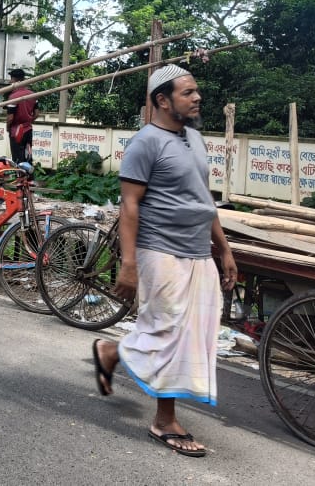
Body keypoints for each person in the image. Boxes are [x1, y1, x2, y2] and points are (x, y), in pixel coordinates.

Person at [90, 64, 237, 459]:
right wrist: (129, 263)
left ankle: (110, 352)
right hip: (160, 250)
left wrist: (223, 249)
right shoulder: (145, 143)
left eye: (196, 92)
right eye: (188, 92)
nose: (197, 98)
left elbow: (203, 200)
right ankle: (165, 421)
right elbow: (130, 205)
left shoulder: (195, 139)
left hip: (197, 251)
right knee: (169, 330)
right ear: (162, 100)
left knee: (192, 332)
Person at [4, 68, 36, 164]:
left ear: (14, 80)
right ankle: (29, 176)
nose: (10, 82)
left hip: (16, 130)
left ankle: (20, 176)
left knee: (17, 157)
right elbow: (37, 113)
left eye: (11, 79)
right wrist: (29, 120)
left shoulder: (13, 97)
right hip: (28, 129)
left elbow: (10, 117)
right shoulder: (32, 94)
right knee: (28, 154)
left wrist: (8, 127)